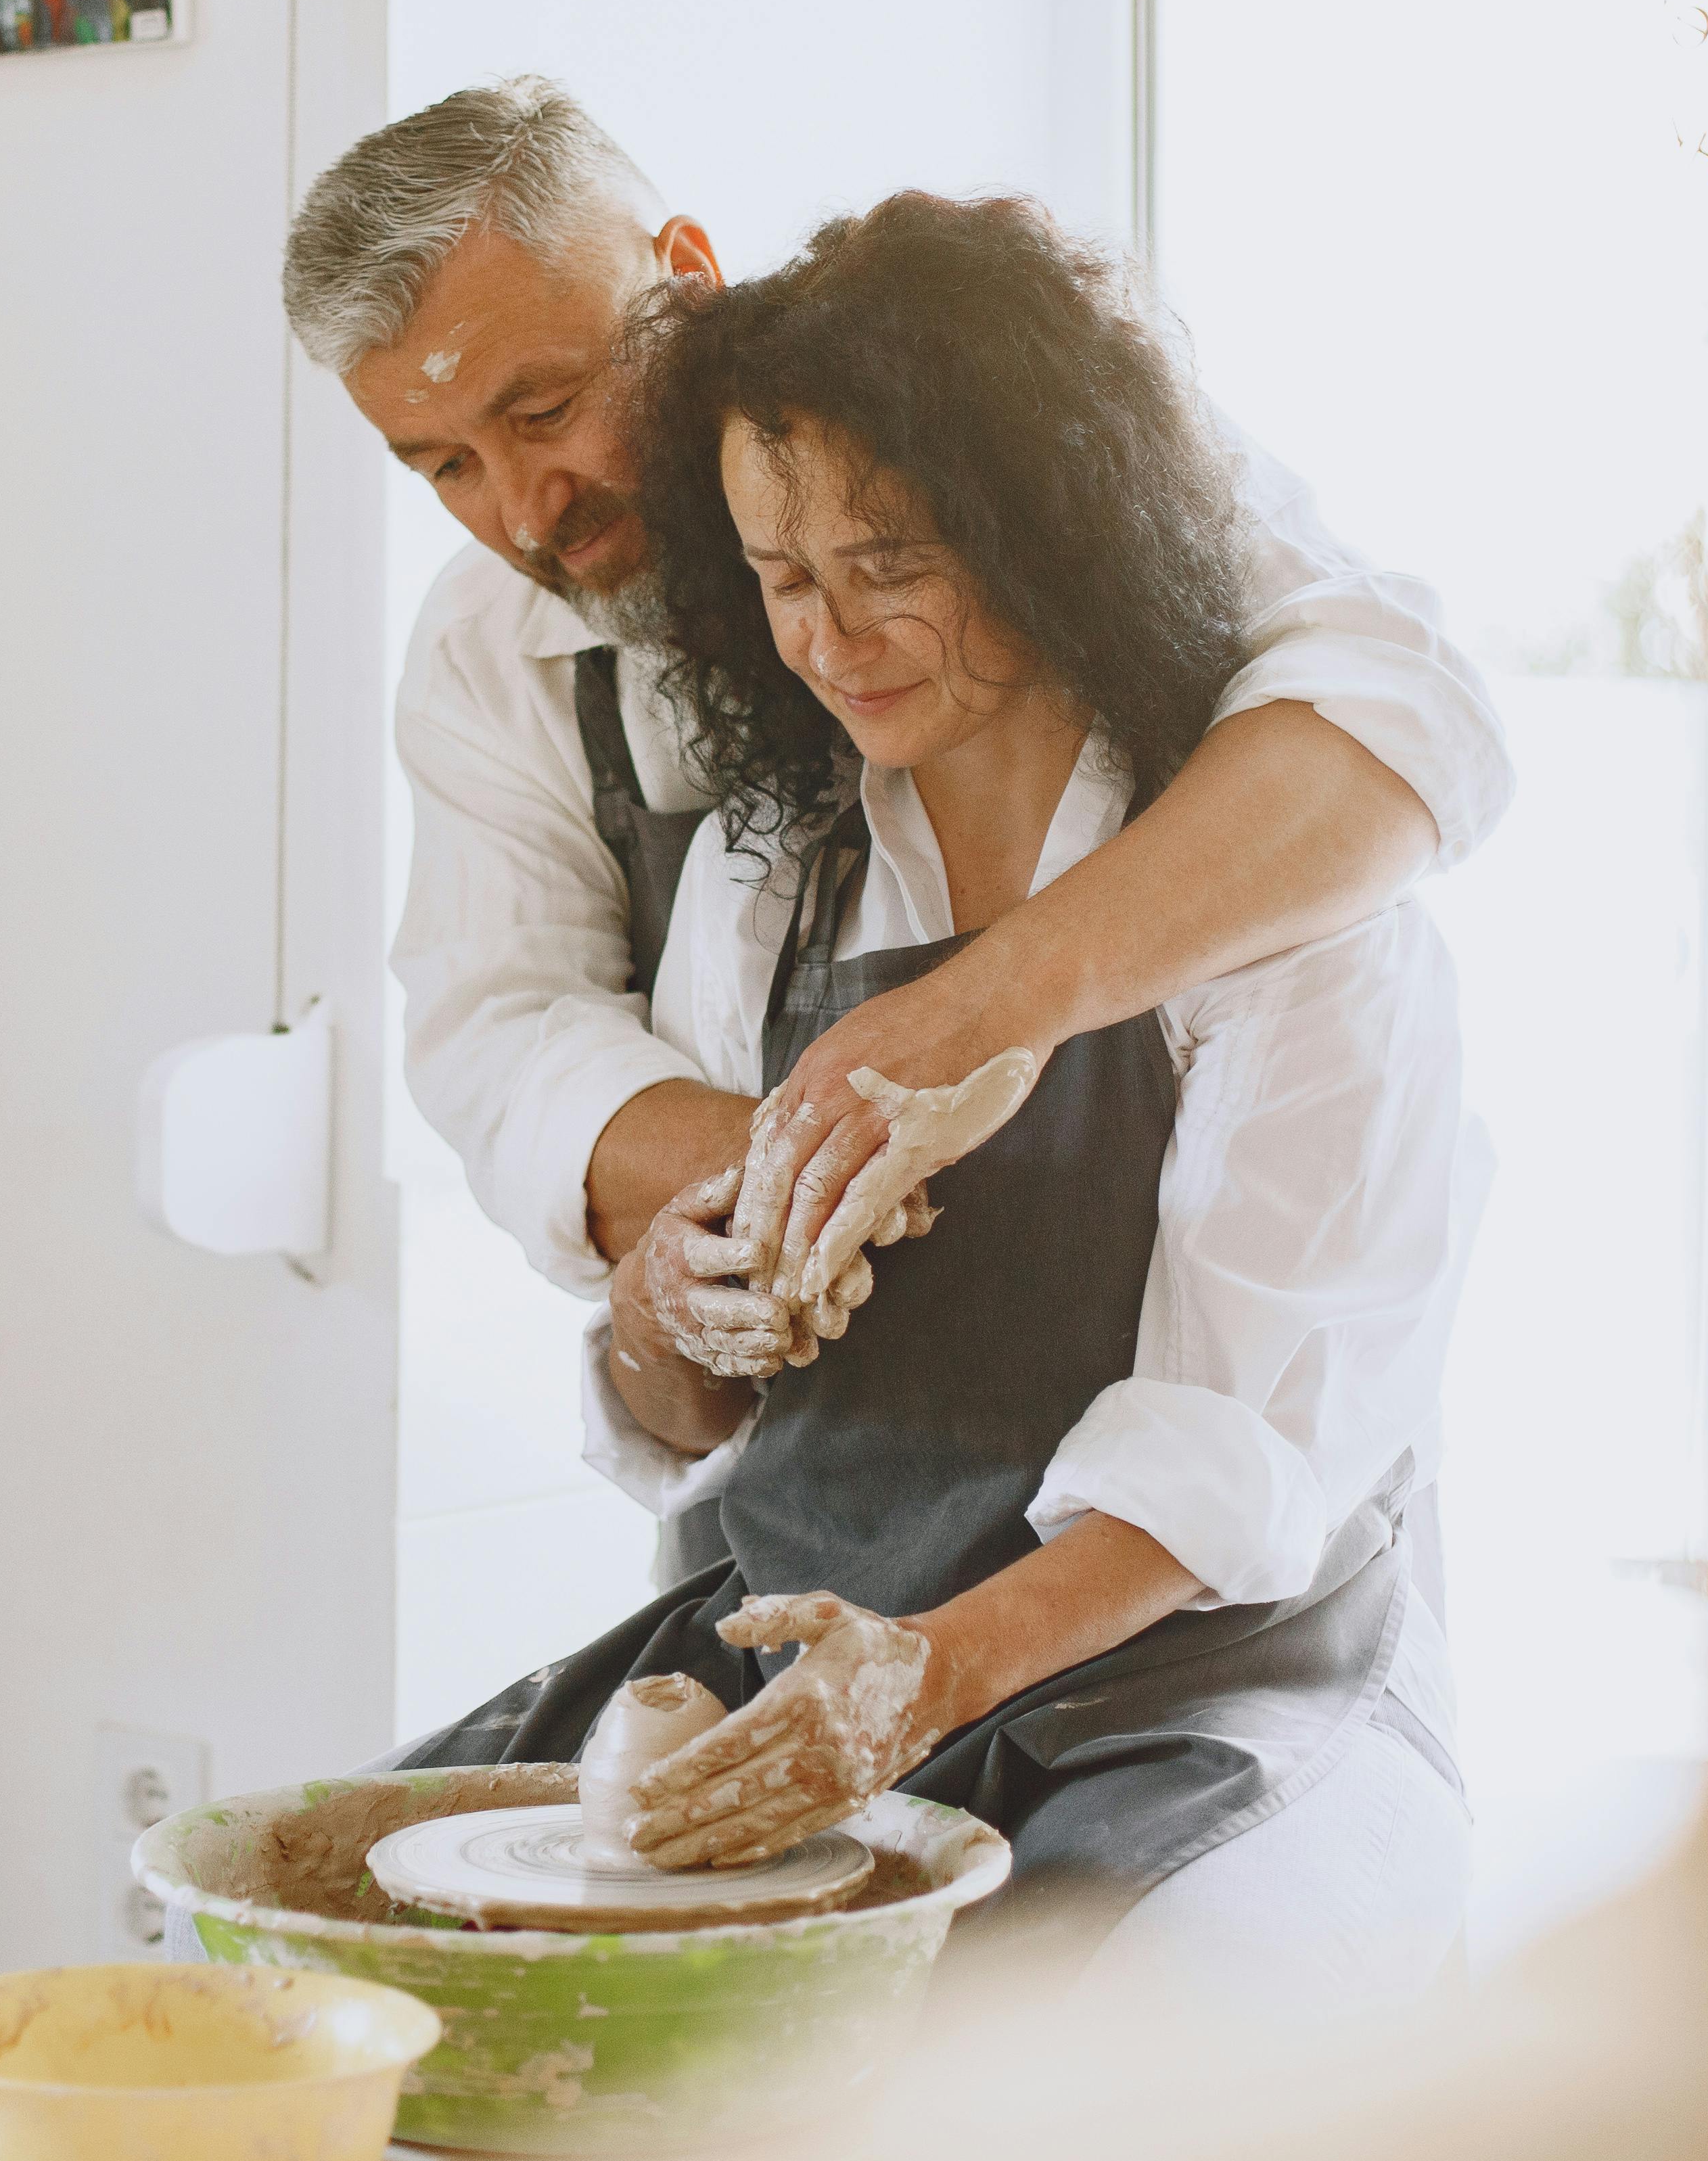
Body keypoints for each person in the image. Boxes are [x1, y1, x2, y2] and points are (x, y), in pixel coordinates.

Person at [394, 192, 1477, 2006]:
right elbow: (686, 1401)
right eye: (782, 578)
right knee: (343, 1969)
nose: (832, 639)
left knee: (1042, 2070)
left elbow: (1246, 1448)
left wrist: (932, 1681)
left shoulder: (1267, 888)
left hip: (1185, 1677)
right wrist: (672, 1316)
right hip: (827, 1668)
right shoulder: (775, 868)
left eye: (890, 562)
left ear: (1040, 524)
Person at [281, 80, 1508, 1581]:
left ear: (681, 274)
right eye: (443, 466)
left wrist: (975, 1015)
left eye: (544, 410)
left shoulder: (1014, 429)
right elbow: (501, 1036)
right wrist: (798, 1189)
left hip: (1199, 1572)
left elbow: (1395, 722)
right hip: (811, 1497)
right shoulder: (497, 662)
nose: (526, 507)